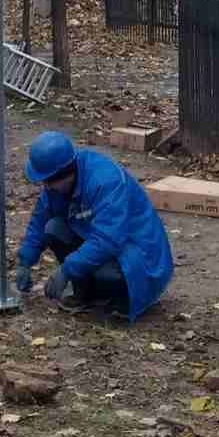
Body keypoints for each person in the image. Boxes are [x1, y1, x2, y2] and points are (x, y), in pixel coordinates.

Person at [14, 130, 173, 321]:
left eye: (48, 181)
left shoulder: (107, 182)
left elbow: (108, 240)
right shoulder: (57, 185)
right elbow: (40, 222)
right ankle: (86, 294)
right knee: (53, 228)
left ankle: (125, 298)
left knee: (108, 272)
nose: (46, 187)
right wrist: (25, 261)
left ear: (66, 174)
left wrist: (67, 270)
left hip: (141, 255)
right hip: (99, 237)